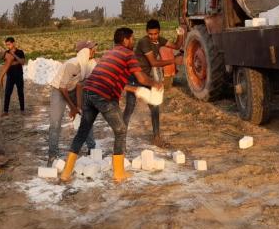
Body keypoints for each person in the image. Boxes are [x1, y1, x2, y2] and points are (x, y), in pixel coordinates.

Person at [60, 27, 162, 183]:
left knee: (83, 131)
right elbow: (141, 78)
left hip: (88, 92)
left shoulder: (110, 53)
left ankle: (66, 172)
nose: (133, 42)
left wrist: (135, 89)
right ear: (126, 40)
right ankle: (119, 173)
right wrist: (155, 83)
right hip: (102, 95)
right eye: (132, 39)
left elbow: (112, 78)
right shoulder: (128, 54)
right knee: (121, 129)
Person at [123, 19, 185, 148]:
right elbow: (154, 63)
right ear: (147, 32)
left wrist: (180, 34)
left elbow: (177, 46)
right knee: (130, 107)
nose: (153, 37)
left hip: (145, 78)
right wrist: (174, 60)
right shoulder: (144, 42)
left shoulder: (159, 40)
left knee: (154, 107)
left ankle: (156, 137)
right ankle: (120, 138)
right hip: (135, 77)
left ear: (159, 32)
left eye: (155, 34)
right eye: (150, 34)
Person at [46, 40, 98, 165]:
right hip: (59, 90)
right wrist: (72, 107)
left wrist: (79, 107)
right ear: (84, 51)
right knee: (55, 122)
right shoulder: (72, 64)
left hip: (73, 89)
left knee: (86, 116)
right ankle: (53, 155)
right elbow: (62, 87)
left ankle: (92, 149)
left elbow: (80, 86)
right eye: (92, 49)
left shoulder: (89, 64)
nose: (94, 51)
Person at [0, 36, 26, 114]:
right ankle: (5, 111)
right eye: (7, 45)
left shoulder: (20, 52)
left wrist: (14, 55)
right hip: (10, 76)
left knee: (20, 93)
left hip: (19, 75)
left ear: (13, 43)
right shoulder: (6, 53)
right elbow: (6, 63)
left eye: (9, 44)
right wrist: (15, 62)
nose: (8, 46)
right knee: (7, 93)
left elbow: (23, 62)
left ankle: (22, 110)